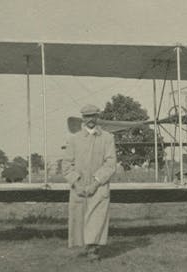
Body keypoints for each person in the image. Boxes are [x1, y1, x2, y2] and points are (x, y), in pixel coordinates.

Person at [63, 104, 117, 261]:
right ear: (83, 118)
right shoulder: (73, 139)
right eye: (87, 116)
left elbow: (110, 164)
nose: (90, 119)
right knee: (79, 216)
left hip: (99, 185)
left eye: (93, 116)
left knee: (97, 217)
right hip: (79, 185)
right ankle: (87, 247)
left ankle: (93, 249)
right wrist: (76, 183)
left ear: (97, 117)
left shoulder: (108, 138)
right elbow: (66, 164)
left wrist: (96, 182)